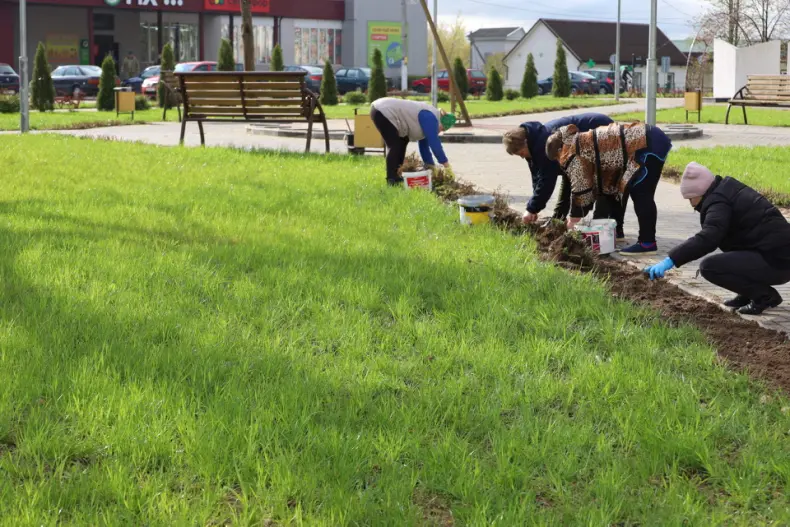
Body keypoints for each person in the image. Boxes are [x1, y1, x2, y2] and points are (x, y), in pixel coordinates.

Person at [646, 162, 790, 315]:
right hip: (777, 256)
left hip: (777, 262)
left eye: (690, 198)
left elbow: (709, 237)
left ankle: (764, 296)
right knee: (730, 257)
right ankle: (748, 293)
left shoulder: (718, 203)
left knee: (709, 267)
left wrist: (671, 259)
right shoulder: (726, 190)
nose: (691, 204)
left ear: (700, 192)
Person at [545, 121, 672, 256]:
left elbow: (582, 189)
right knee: (613, 188)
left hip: (646, 144)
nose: (559, 161)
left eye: (556, 158)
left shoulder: (571, 153)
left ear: (559, 150)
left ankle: (647, 243)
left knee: (641, 193)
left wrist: (574, 218)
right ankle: (616, 232)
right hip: (649, 138)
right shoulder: (576, 140)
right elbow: (600, 184)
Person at [502, 113, 618, 234]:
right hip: (583, 145)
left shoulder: (543, 147)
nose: (521, 157)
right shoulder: (533, 144)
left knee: (602, 182)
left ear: (525, 143)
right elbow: (538, 178)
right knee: (569, 176)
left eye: (520, 153)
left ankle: (602, 229)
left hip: (603, 132)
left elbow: (547, 182)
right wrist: (534, 207)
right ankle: (560, 217)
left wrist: (532, 209)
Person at [370, 98, 456, 186]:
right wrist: (446, 166)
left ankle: (398, 175)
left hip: (381, 110)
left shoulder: (430, 119)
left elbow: (424, 148)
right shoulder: (430, 117)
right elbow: (435, 145)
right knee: (395, 145)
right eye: (442, 129)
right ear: (440, 121)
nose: (440, 132)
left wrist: (430, 167)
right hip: (383, 110)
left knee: (402, 141)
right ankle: (392, 180)